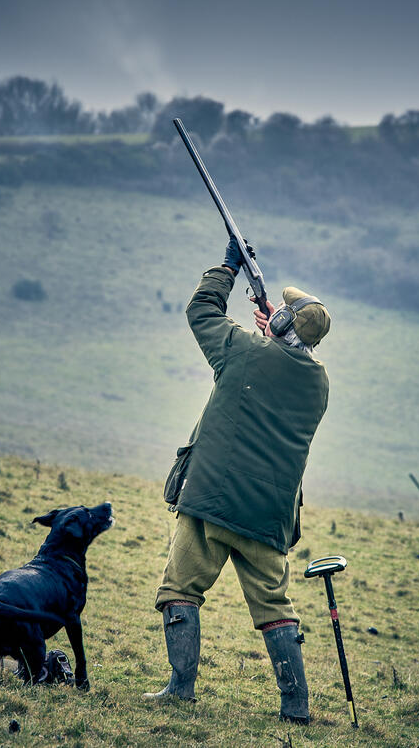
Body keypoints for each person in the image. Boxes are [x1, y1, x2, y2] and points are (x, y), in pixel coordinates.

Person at [145, 236, 331, 725]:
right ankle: (295, 706)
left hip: (211, 501)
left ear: (285, 324)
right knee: (276, 608)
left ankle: (179, 690)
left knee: (180, 588)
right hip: (269, 516)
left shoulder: (244, 351)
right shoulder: (319, 382)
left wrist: (226, 269)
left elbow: (201, 310)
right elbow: (286, 361)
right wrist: (277, 329)